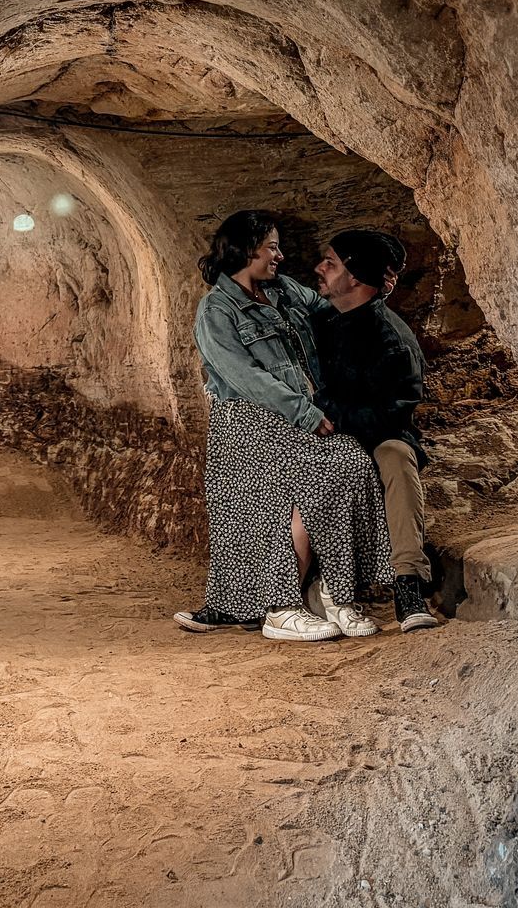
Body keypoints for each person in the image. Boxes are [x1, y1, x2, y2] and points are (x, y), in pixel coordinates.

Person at [173, 211, 394, 642]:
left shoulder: (284, 290)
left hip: (296, 414)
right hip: (249, 422)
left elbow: (331, 309)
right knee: (301, 486)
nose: (281, 255)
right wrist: (306, 414)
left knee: (349, 461)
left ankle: (333, 589)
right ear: (246, 249)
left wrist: (373, 295)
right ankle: (281, 609)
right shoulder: (215, 311)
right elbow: (245, 377)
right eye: (272, 246)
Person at [309, 230, 442, 632]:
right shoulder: (320, 322)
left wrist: (327, 411)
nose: (319, 268)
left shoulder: (393, 342)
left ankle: (408, 586)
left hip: (374, 434)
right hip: (322, 432)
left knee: (397, 460)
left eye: (331, 263)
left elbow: (390, 417)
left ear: (355, 279)